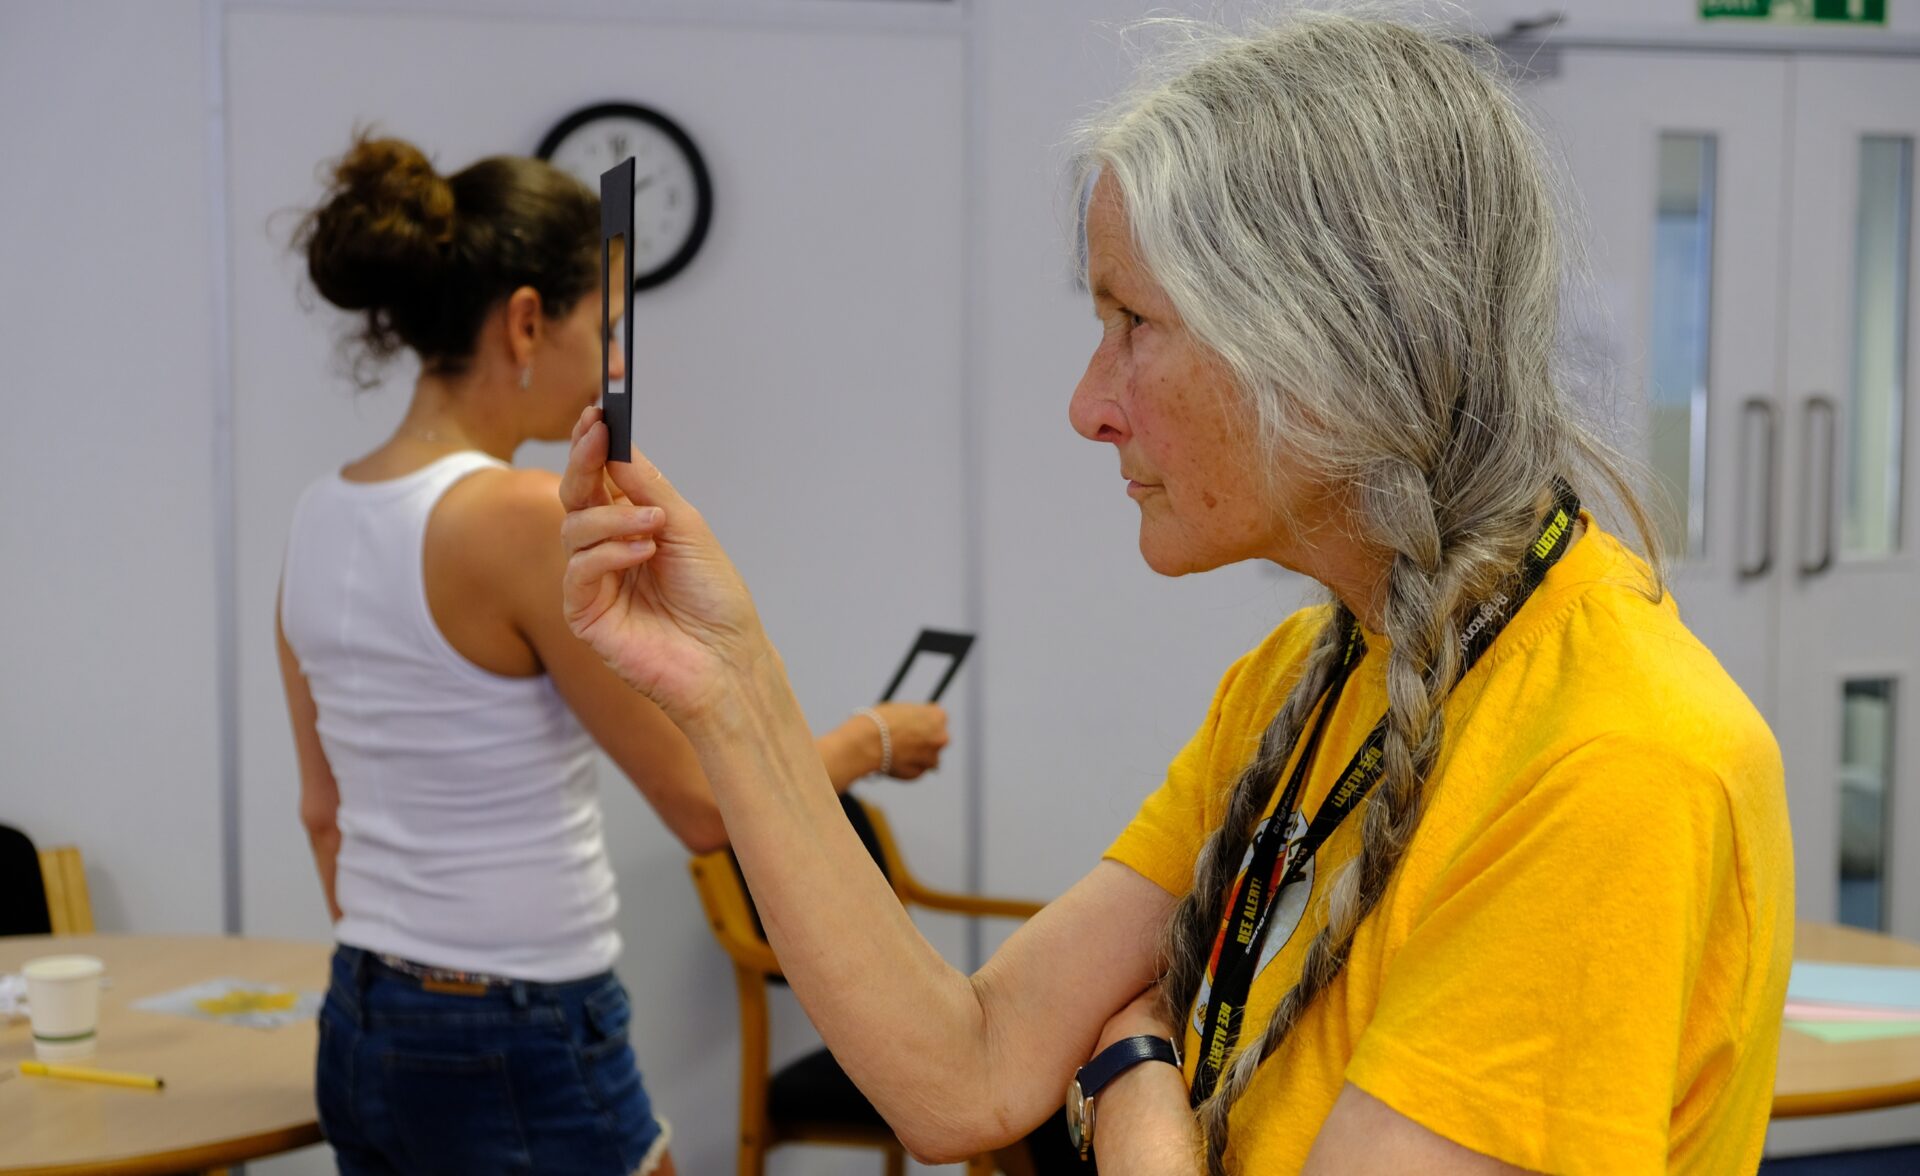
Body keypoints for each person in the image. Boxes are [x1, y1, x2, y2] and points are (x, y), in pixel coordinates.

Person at [554, 12, 1794, 1176]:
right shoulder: (1306, 679)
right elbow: (967, 1073)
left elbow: (1038, 1080)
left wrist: (1138, 1088)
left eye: (1134, 323)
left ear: (1331, 343)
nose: (1090, 406)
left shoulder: (1615, 765)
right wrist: (733, 690)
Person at [275, 134, 950, 1176]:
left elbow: (325, 817)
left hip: (366, 1015)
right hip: (521, 1023)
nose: (616, 361)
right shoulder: (511, 517)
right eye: (610, 325)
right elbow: (705, 806)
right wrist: (875, 738)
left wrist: (418, 982)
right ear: (529, 322)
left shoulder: (320, 515)